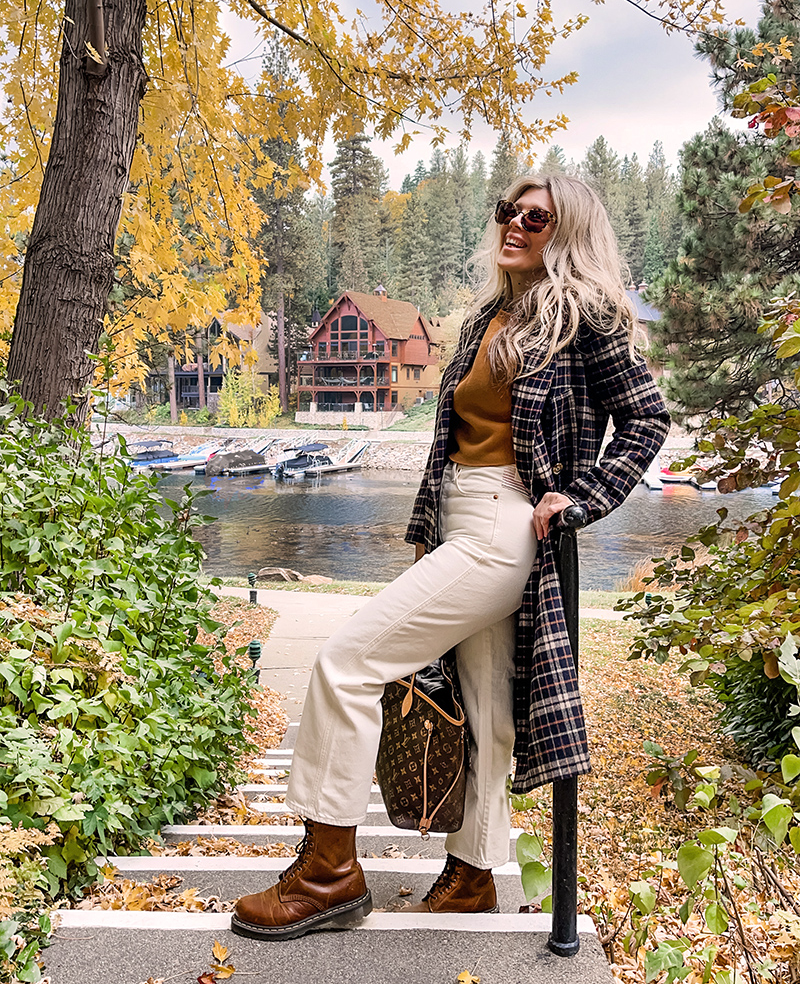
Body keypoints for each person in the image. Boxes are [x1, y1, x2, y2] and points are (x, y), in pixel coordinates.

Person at [232, 174, 670, 942]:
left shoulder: (586, 316)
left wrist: (584, 496)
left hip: (508, 524)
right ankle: (473, 874)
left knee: (345, 661)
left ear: (567, 232)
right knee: (489, 710)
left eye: (538, 217)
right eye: (509, 210)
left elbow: (645, 417)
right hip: (462, 517)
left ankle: (329, 871)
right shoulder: (486, 317)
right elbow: (453, 442)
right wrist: (426, 524)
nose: (517, 225)